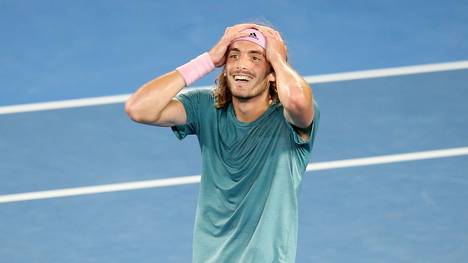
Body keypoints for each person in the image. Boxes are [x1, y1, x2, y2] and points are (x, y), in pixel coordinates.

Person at [125, 23, 320, 263]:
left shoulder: (289, 121)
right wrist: (207, 60)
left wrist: (278, 59)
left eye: (256, 57)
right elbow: (138, 109)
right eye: (234, 56)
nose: (242, 65)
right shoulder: (204, 107)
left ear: (272, 74)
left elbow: (299, 100)